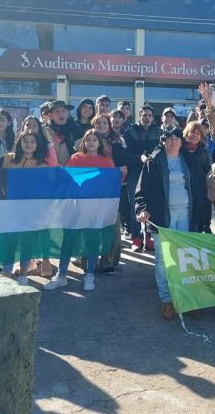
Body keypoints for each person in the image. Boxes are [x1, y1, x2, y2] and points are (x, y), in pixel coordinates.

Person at [135, 126, 210, 320]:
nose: (173, 140)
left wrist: (203, 216)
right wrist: (142, 210)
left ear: (181, 141)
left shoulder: (190, 160)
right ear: (163, 141)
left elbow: (200, 188)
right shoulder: (153, 162)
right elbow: (142, 190)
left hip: (187, 215)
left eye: (176, 137)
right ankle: (167, 299)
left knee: (186, 258)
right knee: (163, 260)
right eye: (169, 137)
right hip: (162, 218)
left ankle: (188, 298)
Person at [44, 130, 116, 292]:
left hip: (95, 207)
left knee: (92, 240)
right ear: (83, 142)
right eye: (88, 139)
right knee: (68, 239)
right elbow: (67, 181)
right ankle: (61, 275)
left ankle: (89, 275)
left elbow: (110, 184)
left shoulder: (107, 161)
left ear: (99, 143)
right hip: (75, 206)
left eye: (94, 140)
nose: (91, 142)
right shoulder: (76, 158)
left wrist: (121, 174)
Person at [1, 131, 52, 285]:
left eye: (32, 141)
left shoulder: (42, 165)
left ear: (37, 145)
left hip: (31, 210)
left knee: (27, 242)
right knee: (9, 241)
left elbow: (45, 188)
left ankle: (23, 273)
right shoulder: (8, 159)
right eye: (25, 141)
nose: (28, 144)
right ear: (19, 143)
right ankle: (7, 272)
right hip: (10, 208)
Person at [89, 114, 128, 274]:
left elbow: (124, 161)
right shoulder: (87, 140)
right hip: (90, 192)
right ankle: (88, 261)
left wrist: (122, 173)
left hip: (112, 189)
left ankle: (108, 262)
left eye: (105, 122)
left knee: (112, 226)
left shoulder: (118, 141)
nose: (102, 125)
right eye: (98, 122)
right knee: (90, 227)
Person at [123, 104, 162, 251]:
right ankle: (136, 238)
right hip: (135, 172)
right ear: (139, 116)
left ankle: (149, 237)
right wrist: (139, 158)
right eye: (144, 115)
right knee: (135, 205)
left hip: (153, 173)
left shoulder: (159, 132)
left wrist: (152, 157)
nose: (147, 118)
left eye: (150, 115)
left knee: (152, 204)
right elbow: (125, 154)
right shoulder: (130, 132)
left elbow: (161, 149)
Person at [45, 100, 81, 166]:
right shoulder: (44, 131)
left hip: (71, 168)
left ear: (68, 113)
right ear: (51, 116)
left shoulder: (76, 130)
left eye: (64, 111)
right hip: (50, 169)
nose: (61, 114)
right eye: (57, 111)